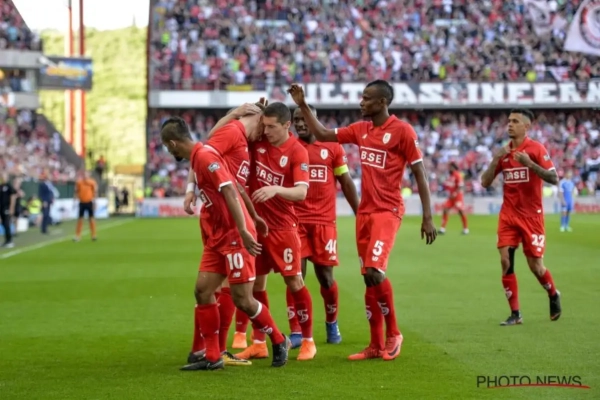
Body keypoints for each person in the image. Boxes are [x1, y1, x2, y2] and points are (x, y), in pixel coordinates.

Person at [288, 81, 437, 361]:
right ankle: (375, 345)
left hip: (387, 211)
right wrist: (303, 104)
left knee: (375, 271)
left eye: (367, 98)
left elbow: (420, 172)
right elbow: (322, 133)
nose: (361, 102)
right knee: (368, 278)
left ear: (382, 102)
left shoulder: (403, 131)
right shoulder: (361, 130)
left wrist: (427, 216)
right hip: (366, 213)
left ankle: (394, 333)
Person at [160, 116, 290, 371]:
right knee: (203, 290)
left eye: (167, 146)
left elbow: (230, 191)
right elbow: (237, 186)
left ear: (173, 144)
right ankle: (212, 356)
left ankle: (278, 338)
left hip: (233, 236)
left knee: (243, 300)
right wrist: (254, 216)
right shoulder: (200, 158)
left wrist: (243, 228)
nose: (168, 151)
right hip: (218, 237)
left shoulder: (206, 157)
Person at [183, 102, 266, 366]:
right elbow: (205, 149)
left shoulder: (247, 139)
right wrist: (236, 113)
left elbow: (203, 150)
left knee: (219, 287)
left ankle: (209, 350)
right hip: (223, 218)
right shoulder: (232, 132)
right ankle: (213, 350)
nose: (265, 132)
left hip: (233, 215)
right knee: (216, 286)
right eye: (264, 124)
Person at [235, 102, 317, 362]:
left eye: (272, 126)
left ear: (286, 125)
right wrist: (244, 112)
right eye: (264, 125)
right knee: (255, 284)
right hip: (255, 226)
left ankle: (308, 341)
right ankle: (259, 342)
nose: (266, 131)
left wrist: (276, 189)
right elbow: (228, 132)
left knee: (294, 282)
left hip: (283, 228)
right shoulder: (258, 141)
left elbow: (302, 192)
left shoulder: (297, 151)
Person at [284, 104, 360, 348]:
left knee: (326, 278)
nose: (300, 123)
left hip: (324, 223)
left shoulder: (332, 147)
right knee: (294, 276)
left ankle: (331, 322)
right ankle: (297, 330)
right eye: (296, 119)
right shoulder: (288, 146)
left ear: (314, 119)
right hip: (295, 222)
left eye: (304, 118)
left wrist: (360, 213)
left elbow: (345, 181)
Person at [480, 108, 561, 326]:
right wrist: (496, 158)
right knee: (505, 260)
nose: (510, 124)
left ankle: (553, 293)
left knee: (536, 266)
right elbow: (485, 182)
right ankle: (515, 314)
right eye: (509, 121)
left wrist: (530, 164)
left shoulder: (536, 149)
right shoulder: (504, 152)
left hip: (531, 217)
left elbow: (554, 178)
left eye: (515, 121)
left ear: (526, 126)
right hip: (508, 215)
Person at [438, 162, 469, 235]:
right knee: (445, 209)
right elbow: (448, 185)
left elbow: (460, 186)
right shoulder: (450, 176)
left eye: (450, 167)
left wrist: (455, 193)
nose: (449, 168)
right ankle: (442, 228)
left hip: (457, 196)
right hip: (451, 197)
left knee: (460, 211)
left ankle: (465, 229)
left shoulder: (457, 175)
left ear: (453, 167)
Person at [74, 171, 98, 242]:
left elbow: (95, 192)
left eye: (86, 174)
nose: (85, 176)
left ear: (89, 175)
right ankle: (78, 236)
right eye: (84, 174)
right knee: (80, 219)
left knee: (91, 218)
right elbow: (76, 191)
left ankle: (93, 235)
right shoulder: (79, 182)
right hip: (82, 202)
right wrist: (74, 200)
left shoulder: (92, 182)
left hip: (89, 202)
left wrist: (95, 202)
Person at [0, 172, 17, 248]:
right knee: (4, 224)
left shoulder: (9, 186)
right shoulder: (1, 186)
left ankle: (9, 241)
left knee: (7, 223)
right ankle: (6, 240)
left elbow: (13, 197)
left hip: (6, 208)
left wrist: (11, 208)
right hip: (1, 208)